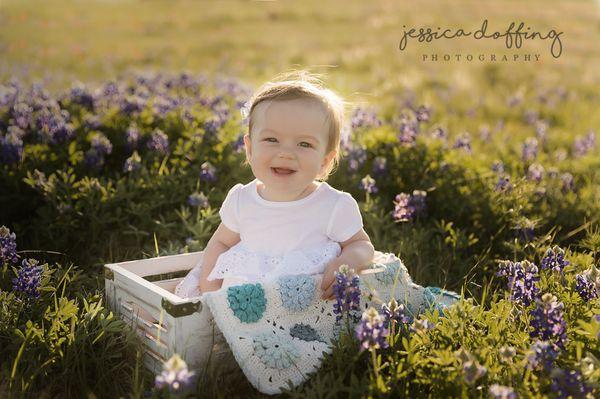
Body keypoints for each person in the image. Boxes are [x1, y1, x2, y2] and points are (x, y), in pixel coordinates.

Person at [174, 71, 375, 300]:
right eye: (271, 140)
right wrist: (210, 296)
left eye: (304, 144)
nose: (286, 153)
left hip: (307, 309)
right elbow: (219, 243)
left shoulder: (333, 205)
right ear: (249, 149)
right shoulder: (242, 200)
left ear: (325, 161)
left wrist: (347, 263)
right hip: (241, 306)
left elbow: (362, 245)